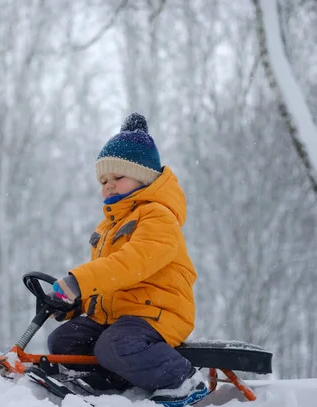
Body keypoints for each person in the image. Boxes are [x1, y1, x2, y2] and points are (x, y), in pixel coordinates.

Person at [47, 112, 208, 407]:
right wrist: (72, 302)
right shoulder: (107, 227)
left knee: (115, 345)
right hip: (119, 316)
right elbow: (107, 283)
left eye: (118, 177)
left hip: (158, 313)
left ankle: (182, 380)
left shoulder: (158, 216)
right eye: (104, 179)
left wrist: (79, 281)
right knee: (64, 340)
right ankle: (109, 380)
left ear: (143, 177)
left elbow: (131, 264)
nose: (108, 185)